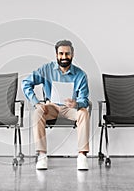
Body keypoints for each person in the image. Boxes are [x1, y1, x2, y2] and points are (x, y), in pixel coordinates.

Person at [22, 40, 90, 170]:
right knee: (38, 112)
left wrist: (76, 103)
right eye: (61, 54)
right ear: (56, 54)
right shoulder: (46, 69)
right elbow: (26, 83)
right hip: (51, 107)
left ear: (73, 54)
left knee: (84, 113)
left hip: (70, 108)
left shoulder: (80, 75)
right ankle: (42, 155)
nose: (64, 57)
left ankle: (82, 156)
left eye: (67, 54)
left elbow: (85, 100)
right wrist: (36, 103)